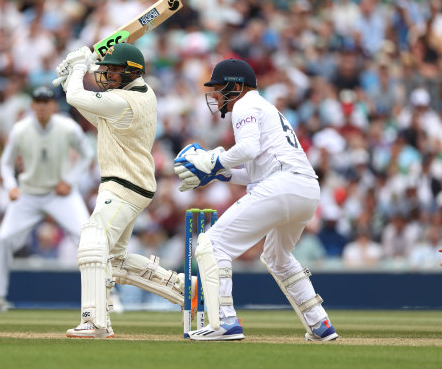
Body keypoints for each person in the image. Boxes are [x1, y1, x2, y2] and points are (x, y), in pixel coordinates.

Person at [174, 58, 338, 342]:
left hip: (283, 185)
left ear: (236, 87)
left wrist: (213, 160)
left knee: (212, 244)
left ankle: (224, 322)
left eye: (219, 89)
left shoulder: (245, 105)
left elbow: (248, 148)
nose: (216, 97)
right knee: (278, 257)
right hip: (306, 188)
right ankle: (320, 324)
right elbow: (255, 171)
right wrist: (222, 174)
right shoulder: (265, 108)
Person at [57, 43, 193, 338]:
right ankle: (185, 289)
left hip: (123, 184)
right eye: (105, 70)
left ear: (132, 71)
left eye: (113, 71)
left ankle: (94, 321)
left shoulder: (124, 101)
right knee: (114, 261)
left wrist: (79, 65)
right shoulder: (138, 94)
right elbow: (86, 106)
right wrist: (71, 77)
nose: (106, 75)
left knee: (93, 241)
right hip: (132, 183)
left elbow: (78, 97)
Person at [0, 86, 94, 313]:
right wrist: (11, 186)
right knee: (3, 239)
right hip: (28, 194)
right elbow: (5, 163)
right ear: (32, 105)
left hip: (60, 193)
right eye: (38, 102)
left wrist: (70, 181)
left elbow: (87, 154)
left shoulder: (67, 127)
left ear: (54, 106)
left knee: (88, 239)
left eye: (46, 102)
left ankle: (106, 297)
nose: (42, 106)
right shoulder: (20, 130)